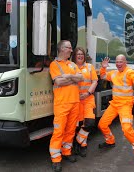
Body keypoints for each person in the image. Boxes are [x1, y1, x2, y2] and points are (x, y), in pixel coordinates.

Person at [98, 55, 134, 163]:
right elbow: (103, 76)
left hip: (125, 105)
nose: (118, 64)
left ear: (125, 62)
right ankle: (110, 141)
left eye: (121, 62)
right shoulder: (114, 73)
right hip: (114, 104)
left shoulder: (129, 72)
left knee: (126, 129)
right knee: (102, 124)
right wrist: (103, 67)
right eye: (117, 62)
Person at [49, 40, 83, 172]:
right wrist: (73, 77)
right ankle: (56, 159)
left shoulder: (73, 64)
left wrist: (68, 76)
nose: (71, 50)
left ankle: (66, 152)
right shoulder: (54, 64)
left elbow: (81, 79)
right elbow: (58, 81)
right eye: (68, 48)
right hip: (62, 103)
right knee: (59, 131)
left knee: (70, 130)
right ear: (61, 49)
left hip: (74, 102)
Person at [72, 47, 98, 157]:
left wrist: (87, 93)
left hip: (87, 99)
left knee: (90, 123)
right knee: (77, 125)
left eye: (82, 54)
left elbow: (95, 81)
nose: (80, 56)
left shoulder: (90, 67)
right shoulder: (71, 67)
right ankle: (83, 145)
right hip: (75, 100)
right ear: (74, 56)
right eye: (78, 54)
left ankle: (78, 141)